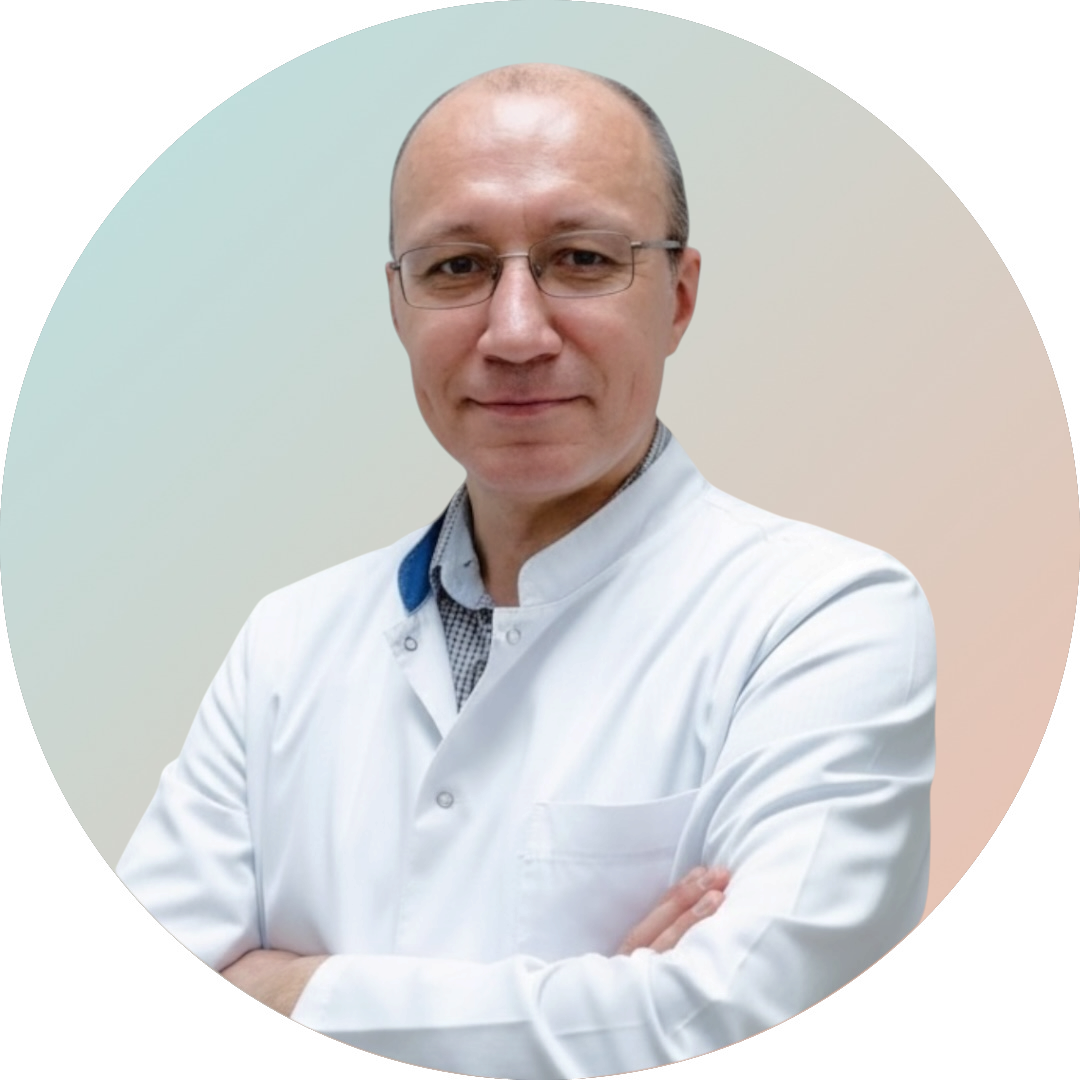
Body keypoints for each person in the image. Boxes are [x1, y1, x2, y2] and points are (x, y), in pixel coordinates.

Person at [117, 63, 935, 1077]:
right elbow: (125, 1018)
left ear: (679, 297)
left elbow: (748, 1016)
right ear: (398, 305)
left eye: (581, 259)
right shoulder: (285, 643)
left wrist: (292, 995)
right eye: (457, 267)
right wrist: (604, 1012)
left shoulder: (827, 618)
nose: (513, 332)